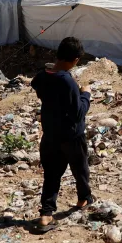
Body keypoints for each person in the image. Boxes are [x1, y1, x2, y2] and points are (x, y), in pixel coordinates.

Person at [32, 37, 92, 231]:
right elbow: (78, 113)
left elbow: (36, 85)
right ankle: (84, 199)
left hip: (50, 136)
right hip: (71, 137)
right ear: (75, 60)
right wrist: (86, 94)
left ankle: (46, 215)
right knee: (80, 169)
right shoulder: (67, 81)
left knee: (52, 174)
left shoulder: (43, 75)